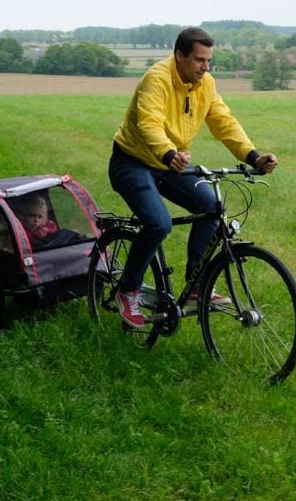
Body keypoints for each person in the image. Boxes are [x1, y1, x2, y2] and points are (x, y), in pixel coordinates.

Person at [109, 26, 278, 328]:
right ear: (179, 56)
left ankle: (196, 285)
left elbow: (223, 122)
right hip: (132, 161)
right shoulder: (157, 79)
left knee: (212, 206)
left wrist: (253, 156)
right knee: (158, 223)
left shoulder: (206, 84)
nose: (205, 67)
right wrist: (168, 153)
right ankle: (128, 289)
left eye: (209, 60)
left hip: (171, 162)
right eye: (199, 60)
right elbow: (149, 123)